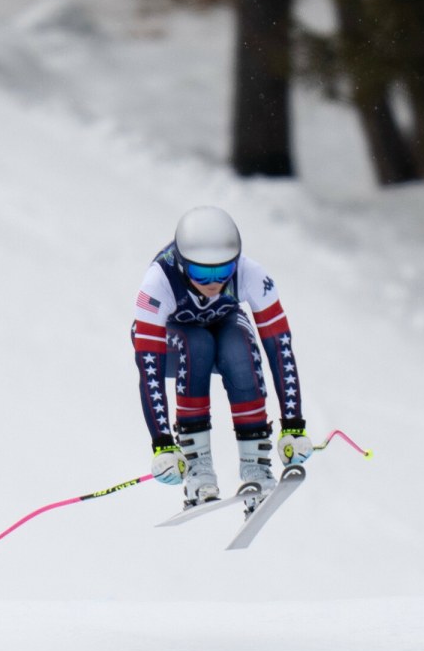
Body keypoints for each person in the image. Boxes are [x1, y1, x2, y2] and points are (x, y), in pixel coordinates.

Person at [131, 206, 314, 510]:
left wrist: (293, 425)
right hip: (174, 342)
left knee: (240, 346)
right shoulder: (157, 283)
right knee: (198, 345)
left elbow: (279, 349)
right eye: (201, 272)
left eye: (223, 271)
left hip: (223, 327)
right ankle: (197, 470)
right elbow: (149, 369)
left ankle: (256, 466)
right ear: (181, 263)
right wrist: (162, 443)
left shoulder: (252, 273)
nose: (213, 282)